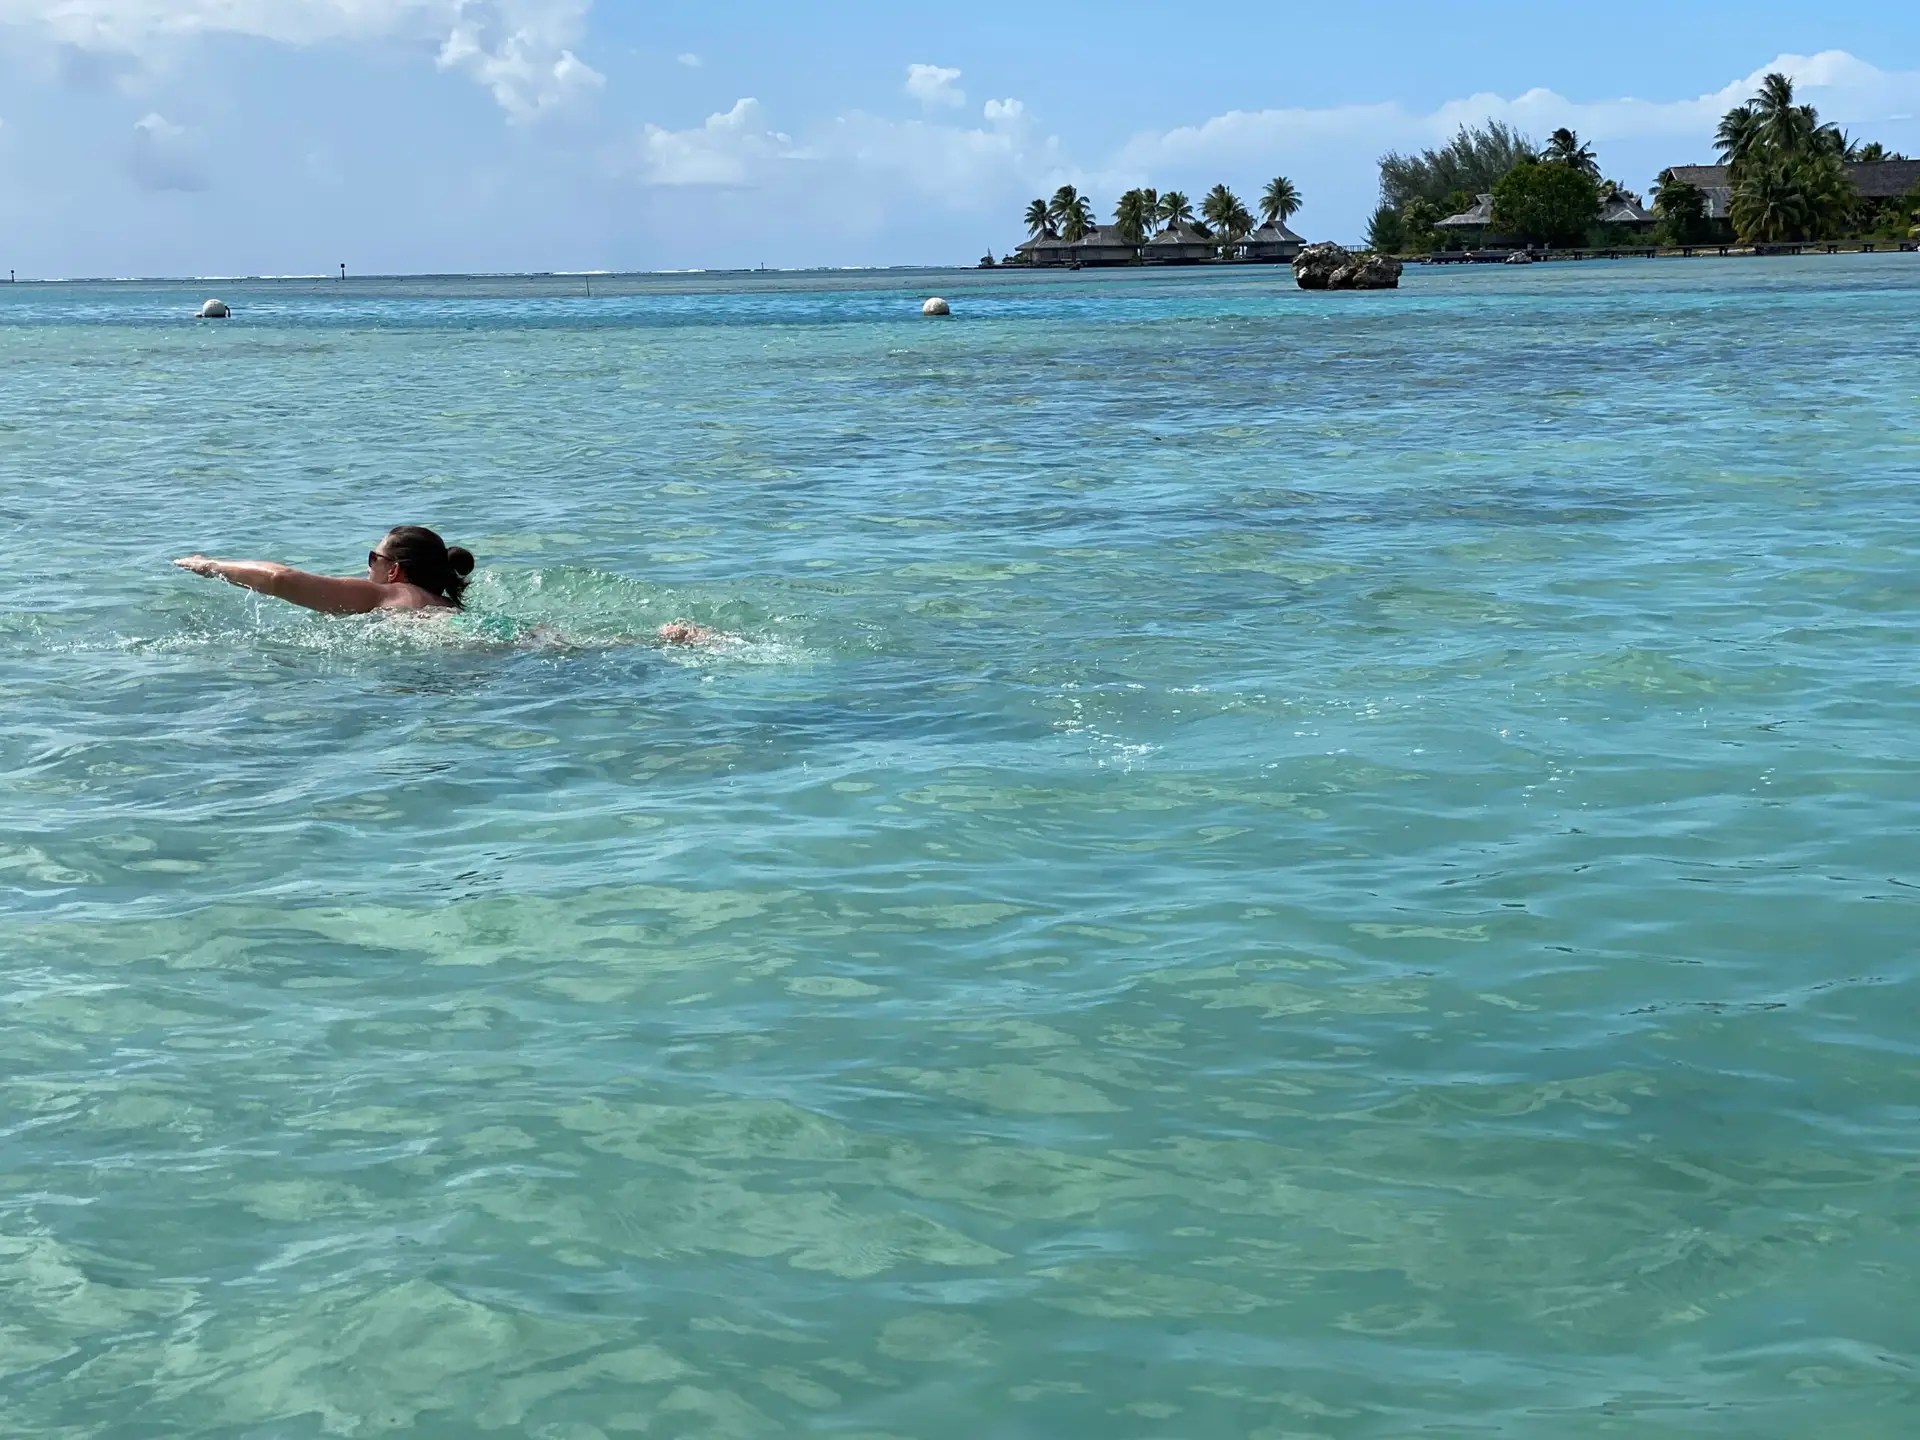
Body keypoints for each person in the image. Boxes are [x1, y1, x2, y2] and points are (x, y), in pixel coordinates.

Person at [173, 525, 474, 614]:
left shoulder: (387, 593)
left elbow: (280, 579)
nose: (367, 569)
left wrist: (209, 565)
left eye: (373, 559)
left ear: (394, 570)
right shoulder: (445, 606)